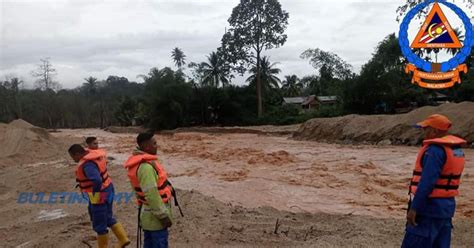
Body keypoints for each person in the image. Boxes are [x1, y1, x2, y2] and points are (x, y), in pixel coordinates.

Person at [402, 114, 466, 248]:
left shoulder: (435, 150)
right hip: (446, 208)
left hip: (429, 208)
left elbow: (427, 183)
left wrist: (414, 208)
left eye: (426, 128)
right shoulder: (456, 150)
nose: (423, 131)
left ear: (435, 131)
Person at [68, 144, 130, 248]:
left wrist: (95, 195)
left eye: (73, 157)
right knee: (107, 217)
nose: (73, 160)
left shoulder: (87, 165)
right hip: (108, 188)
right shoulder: (94, 155)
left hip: (100, 195)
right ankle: (123, 239)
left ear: (78, 154)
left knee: (99, 223)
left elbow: (97, 180)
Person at [123, 132, 176, 248]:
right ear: (146, 146)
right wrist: (163, 216)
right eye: (154, 143)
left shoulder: (138, 164)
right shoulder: (146, 168)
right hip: (155, 219)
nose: (157, 146)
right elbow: (152, 195)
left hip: (146, 215)